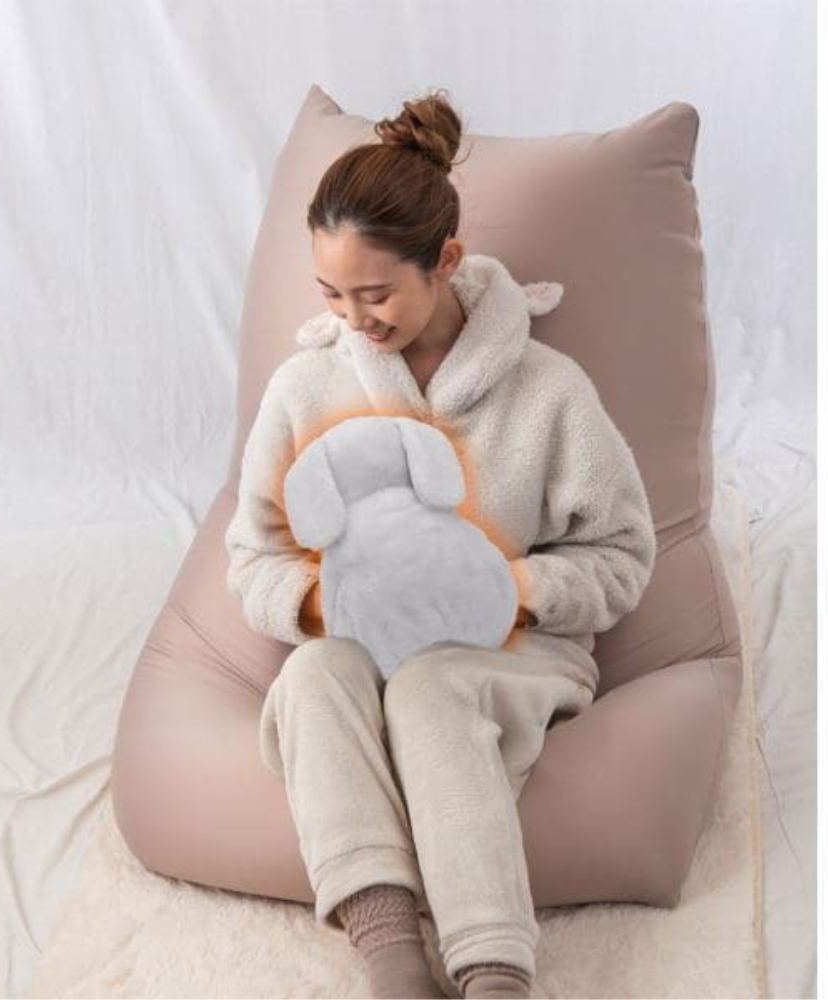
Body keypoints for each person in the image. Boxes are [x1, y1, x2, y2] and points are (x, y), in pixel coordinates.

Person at [225, 89, 656, 999]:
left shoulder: (548, 390)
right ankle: (395, 966)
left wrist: (510, 587)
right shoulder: (305, 388)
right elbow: (253, 556)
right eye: (332, 294)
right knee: (310, 676)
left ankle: (495, 976)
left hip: (513, 654)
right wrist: (322, 602)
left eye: (377, 293)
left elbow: (623, 554)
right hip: (363, 654)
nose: (355, 318)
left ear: (446, 262)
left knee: (428, 688)